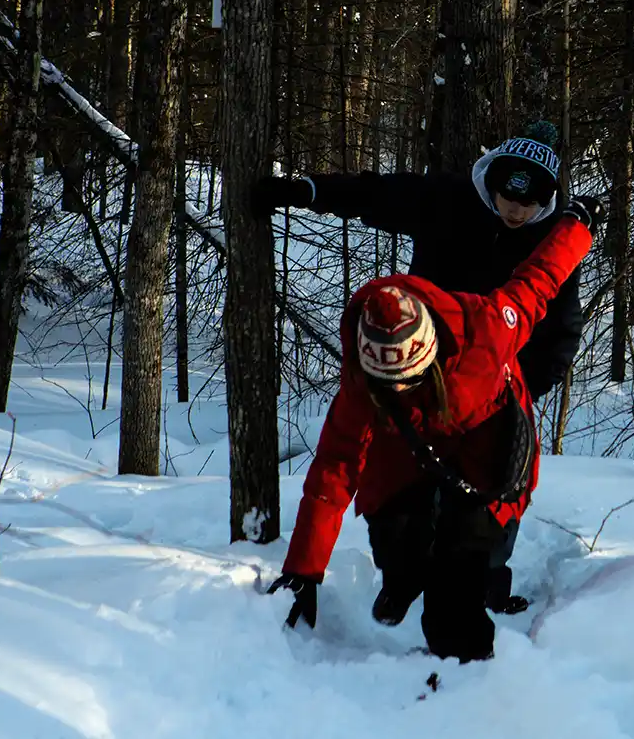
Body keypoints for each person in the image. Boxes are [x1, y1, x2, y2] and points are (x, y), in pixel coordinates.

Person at [266, 197, 604, 663]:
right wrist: (304, 568)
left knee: (455, 582)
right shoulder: (363, 381)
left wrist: (576, 225)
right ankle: (403, 583)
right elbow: (336, 464)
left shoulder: (486, 327)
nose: (398, 391)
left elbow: (540, 277)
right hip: (410, 452)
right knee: (394, 536)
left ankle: (467, 677)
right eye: (389, 386)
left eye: (410, 381)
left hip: (489, 456)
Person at [250, 120, 582, 404]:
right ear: (493, 183)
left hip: (493, 394)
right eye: (509, 197)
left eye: (530, 203)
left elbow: (562, 330)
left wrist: (521, 390)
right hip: (416, 369)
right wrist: (307, 192)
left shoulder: (552, 241)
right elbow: (377, 194)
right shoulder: (448, 200)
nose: (517, 211)